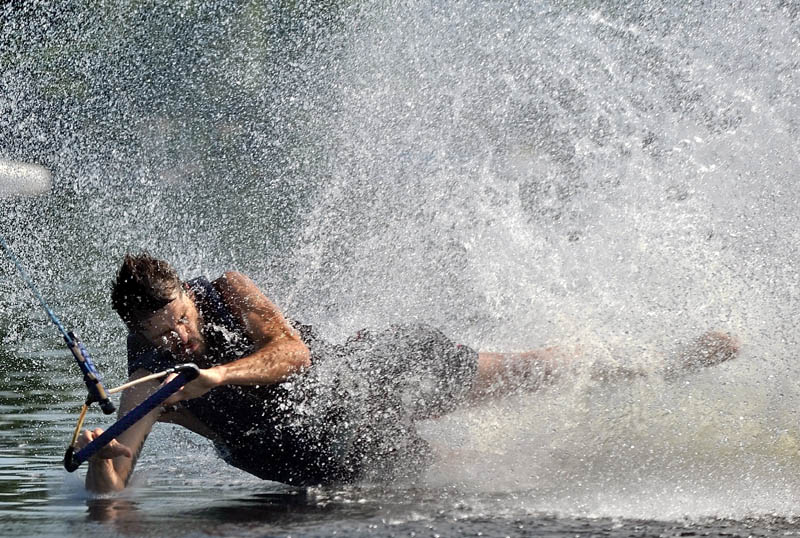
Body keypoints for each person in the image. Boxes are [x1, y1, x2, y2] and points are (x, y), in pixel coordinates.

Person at [77, 253, 739, 493]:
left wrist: (216, 378)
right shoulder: (148, 371)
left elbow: (294, 355)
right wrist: (98, 454)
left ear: (186, 297)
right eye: (164, 336)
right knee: (450, 473)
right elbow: (112, 479)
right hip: (332, 440)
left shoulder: (226, 290)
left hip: (371, 376)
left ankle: (657, 364)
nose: (181, 338)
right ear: (141, 334)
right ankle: (580, 461)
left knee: (527, 373)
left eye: (182, 322)